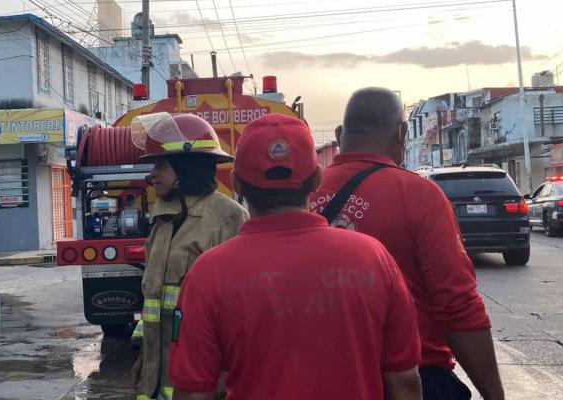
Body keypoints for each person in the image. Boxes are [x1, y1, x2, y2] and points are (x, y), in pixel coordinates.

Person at [168, 113, 422, 400]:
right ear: (317, 178)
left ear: (236, 183)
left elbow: (193, 394)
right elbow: (405, 381)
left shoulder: (207, 274)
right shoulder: (374, 258)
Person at [311, 88, 504, 400]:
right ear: (402, 133)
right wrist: (494, 394)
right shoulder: (419, 196)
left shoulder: (304, 195)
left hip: (322, 378)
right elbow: (457, 305)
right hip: (416, 377)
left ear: (338, 134)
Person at [129, 112, 249, 400]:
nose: (152, 175)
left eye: (161, 165)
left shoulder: (229, 218)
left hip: (202, 385)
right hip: (156, 381)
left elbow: (241, 311)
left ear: (186, 167)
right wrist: (144, 359)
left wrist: (225, 375)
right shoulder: (162, 220)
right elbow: (153, 301)